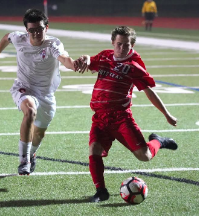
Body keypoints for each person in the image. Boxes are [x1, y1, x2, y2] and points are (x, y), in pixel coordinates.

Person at [76, 26, 178, 202]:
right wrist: (84, 58)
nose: (122, 48)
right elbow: (89, 61)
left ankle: (158, 141)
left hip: (121, 118)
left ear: (133, 45)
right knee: (94, 149)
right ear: (113, 43)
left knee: (144, 156)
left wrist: (166, 114)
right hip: (100, 117)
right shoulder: (105, 56)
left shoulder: (134, 66)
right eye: (119, 44)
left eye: (126, 45)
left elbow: (149, 92)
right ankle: (101, 191)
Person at [0, 9, 78, 175]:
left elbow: (64, 59)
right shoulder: (19, 38)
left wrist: (74, 65)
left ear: (46, 27)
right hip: (24, 87)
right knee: (30, 111)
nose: (36, 33)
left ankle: (32, 153)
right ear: (27, 30)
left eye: (40, 29)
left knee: (39, 134)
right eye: (32, 30)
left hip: (46, 94)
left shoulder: (53, 44)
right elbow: (7, 37)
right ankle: (23, 160)